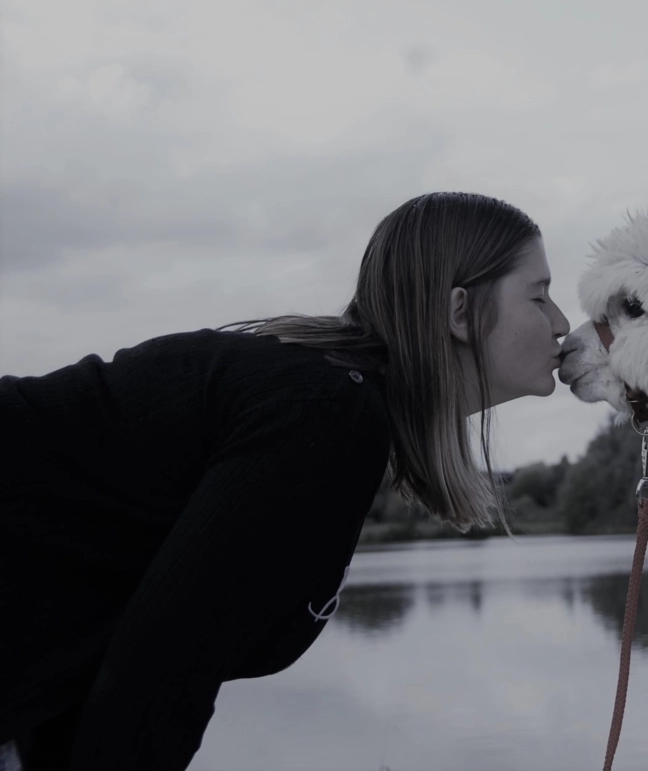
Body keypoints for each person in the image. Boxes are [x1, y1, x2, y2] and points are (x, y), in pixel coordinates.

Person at [0, 192, 570, 770]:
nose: (562, 324)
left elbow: (123, 659)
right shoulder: (325, 414)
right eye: (539, 295)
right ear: (460, 313)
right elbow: (159, 674)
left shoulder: (331, 405)